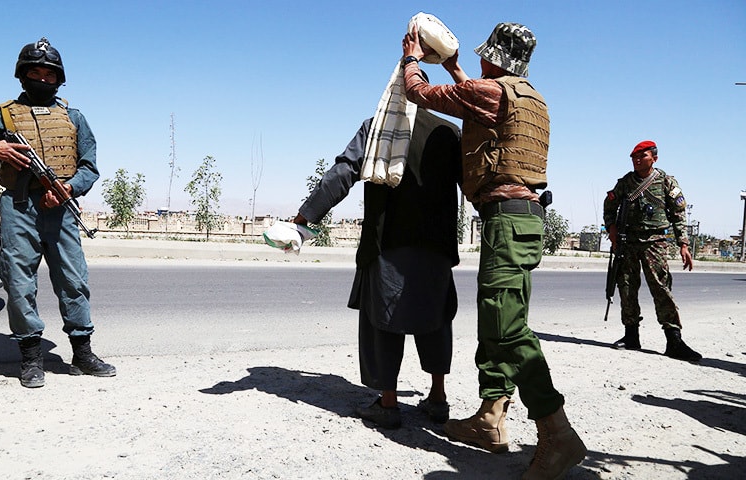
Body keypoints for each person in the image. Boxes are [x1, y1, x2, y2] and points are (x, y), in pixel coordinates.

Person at [401, 22, 586, 479]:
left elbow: (419, 94)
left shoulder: (491, 91)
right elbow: (477, 97)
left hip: (507, 219)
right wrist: (456, 66)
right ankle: (491, 418)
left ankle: (556, 432)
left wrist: (411, 59)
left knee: (505, 325)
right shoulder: (527, 96)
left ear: (495, 59)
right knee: (499, 318)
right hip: (522, 219)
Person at [291, 106, 461, 429]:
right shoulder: (448, 131)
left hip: (387, 244)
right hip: (436, 247)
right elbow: (474, 181)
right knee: (436, 318)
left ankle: (388, 403)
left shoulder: (378, 126)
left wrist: (305, 216)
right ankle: (438, 399)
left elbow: (343, 173)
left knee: (383, 319)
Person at [0, 37, 115, 388]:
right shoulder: (3, 115)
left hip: (59, 208)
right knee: (18, 283)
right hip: (18, 205)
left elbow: (89, 168)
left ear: (59, 79)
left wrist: (69, 189)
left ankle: (82, 353)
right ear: (22, 75)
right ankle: (30, 357)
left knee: (74, 281)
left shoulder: (74, 117)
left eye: (49, 74)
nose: (42, 79)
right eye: (35, 72)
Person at [603, 140, 702, 362]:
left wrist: (683, 245)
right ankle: (631, 336)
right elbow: (609, 205)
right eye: (634, 157)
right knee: (627, 287)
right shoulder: (625, 183)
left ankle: (674, 340)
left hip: (655, 242)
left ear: (654, 158)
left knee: (660, 288)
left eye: (642, 156)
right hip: (627, 242)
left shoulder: (666, 182)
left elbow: (678, 215)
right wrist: (612, 229)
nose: (637, 160)